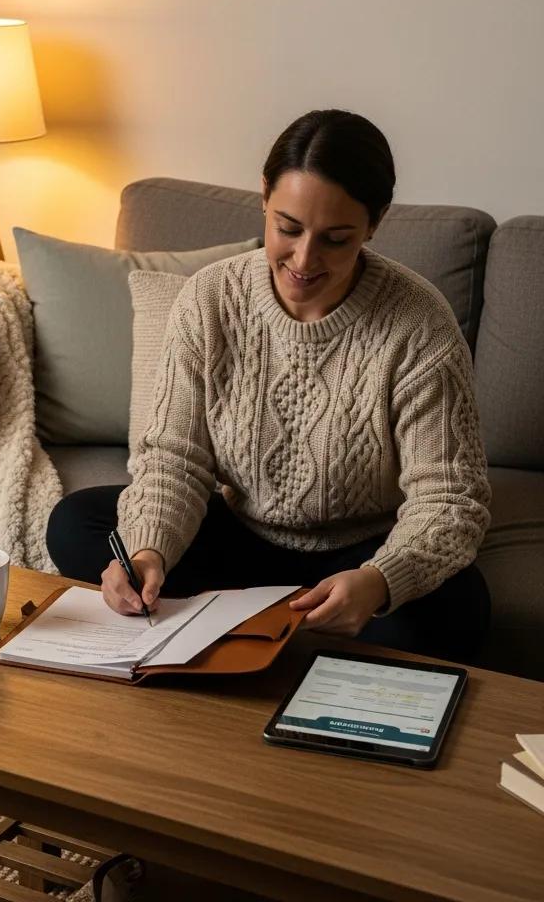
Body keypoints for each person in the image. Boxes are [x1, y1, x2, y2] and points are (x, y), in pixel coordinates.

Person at [47, 109, 492, 664]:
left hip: (361, 553)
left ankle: (241, 628)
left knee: (460, 603)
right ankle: (275, 636)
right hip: (242, 535)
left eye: (336, 239)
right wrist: (148, 549)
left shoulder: (419, 324)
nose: (305, 260)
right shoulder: (211, 299)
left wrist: (380, 580)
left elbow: (451, 499)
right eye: (288, 228)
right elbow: (173, 460)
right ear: (263, 197)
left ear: (374, 224)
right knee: (77, 522)